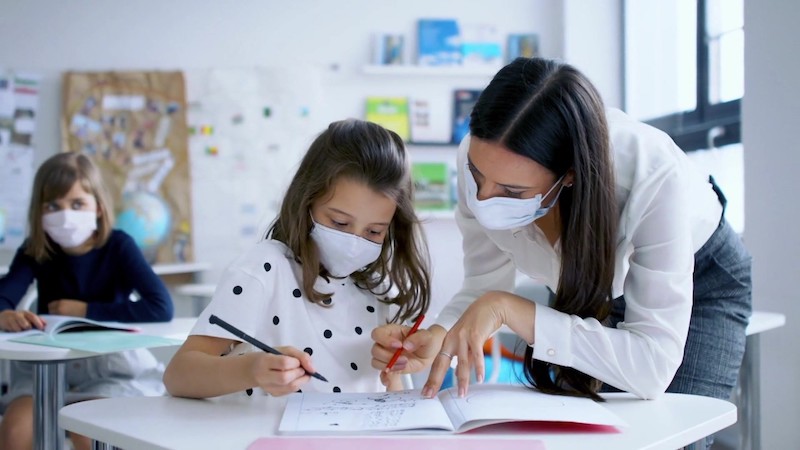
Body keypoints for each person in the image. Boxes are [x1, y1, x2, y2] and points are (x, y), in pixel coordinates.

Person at [372, 57, 751, 422]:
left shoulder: (650, 176)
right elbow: (484, 288)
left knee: (666, 432)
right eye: (476, 174)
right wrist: (441, 333)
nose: (483, 199)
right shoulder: (485, 157)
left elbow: (651, 366)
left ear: (568, 175)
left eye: (512, 192)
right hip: (586, 287)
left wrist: (508, 307)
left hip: (701, 278)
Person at [163, 119, 430, 398]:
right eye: (339, 223)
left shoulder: (381, 288)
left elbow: (392, 393)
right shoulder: (265, 269)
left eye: (374, 231)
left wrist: (395, 372)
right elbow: (178, 375)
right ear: (307, 201)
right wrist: (252, 369)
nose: (354, 243)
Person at [0, 152, 174, 450]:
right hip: (47, 370)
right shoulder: (35, 250)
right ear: (38, 212)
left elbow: (160, 306)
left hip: (109, 370)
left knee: (88, 432)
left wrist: (86, 310)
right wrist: (3, 312)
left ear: (98, 207)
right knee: (15, 431)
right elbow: (5, 294)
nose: (65, 215)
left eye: (77, 204)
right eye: (53, 206)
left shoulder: (119, 245)